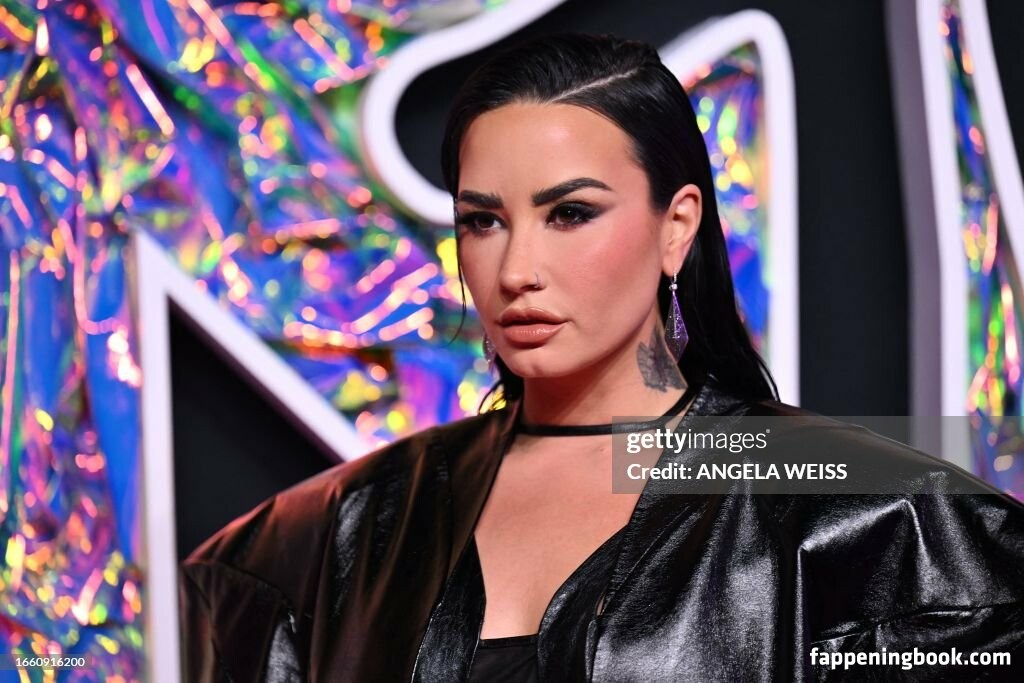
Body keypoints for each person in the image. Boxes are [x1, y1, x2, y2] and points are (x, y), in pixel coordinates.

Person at [178, 32, 1024, 681]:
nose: (517, 269)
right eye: (483, 221)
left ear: (676, 226)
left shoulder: (878, 520)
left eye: (571, 214)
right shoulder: (334, 534)